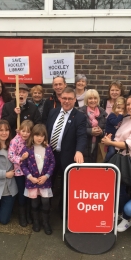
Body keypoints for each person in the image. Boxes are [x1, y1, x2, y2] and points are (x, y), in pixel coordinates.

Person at [101, 95, 131, 231]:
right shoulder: (126, 119)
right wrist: (110, 138)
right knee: (114, 189)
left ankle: (127, 219)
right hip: (115, 157)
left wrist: (110, 143)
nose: (130, 107)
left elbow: (129, 145)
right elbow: (118, 136)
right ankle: (117, 213)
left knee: (121, 191)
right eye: (128, 104)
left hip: (125, 160)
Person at [46, 87, 87, 216]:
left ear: (75, 100)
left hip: (67, 156)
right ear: (60, 99)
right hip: (50, 155)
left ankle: (63, 212)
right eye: (64, 98)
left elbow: (82, 136)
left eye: (70, 99)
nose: (67, 101)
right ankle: (46, 210)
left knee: (66, 185)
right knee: (48, 182)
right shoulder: (53, 112)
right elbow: (46, 130)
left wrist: (79, 151)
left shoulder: (80, 117)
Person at [21, 124, 55, 235]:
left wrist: (47, 176)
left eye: (42, 135)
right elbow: (23, 165)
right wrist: (30, 177)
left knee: (46, 202)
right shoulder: (27, 148)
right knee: (34, 203)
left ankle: (46, 222)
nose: (39, 138)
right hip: (32, 182)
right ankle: (36, 222)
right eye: (37, 135)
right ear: (32, 135)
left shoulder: (48, 148)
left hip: (45, 181)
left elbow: (52, 163)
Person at [8, 120, 34, 227]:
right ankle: (22, 215)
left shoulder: (31, 141)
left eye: (28, 132)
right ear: (19, 131)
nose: (25, 134)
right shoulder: (15, 141)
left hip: (31, 171)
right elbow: (10, 155)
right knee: (22, 192)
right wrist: (20, 159)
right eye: (23, 131)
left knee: (30, 193)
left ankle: (29, 214)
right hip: (19, 172)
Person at [78, 89, 107, 163]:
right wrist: (90, 131)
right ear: (86, 100)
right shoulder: (80, 112)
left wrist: (101, 132)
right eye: (90, 98)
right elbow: (77, 129)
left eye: (95, 98)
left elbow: (106, 130)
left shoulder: (103, 113)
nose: (93, 100)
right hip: (84, 147)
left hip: (98, 147)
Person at [103, 96, 125, 162]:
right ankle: (105, 163)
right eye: (118, 108)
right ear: (114, 107)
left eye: (123, 109)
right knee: (111, 152)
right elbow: (115, 122)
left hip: (117, 138)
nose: (120, 110)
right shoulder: (112, 115)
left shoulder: (123, 116)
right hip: (110, 137)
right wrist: (120, 115)